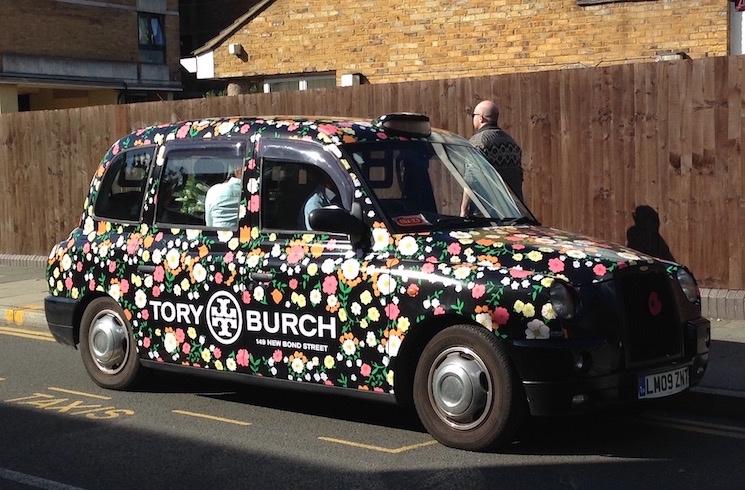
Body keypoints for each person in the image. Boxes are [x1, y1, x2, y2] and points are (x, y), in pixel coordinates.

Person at [461, 100, 523, 216]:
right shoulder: (511, 143)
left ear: (481, 118)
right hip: (512, 211)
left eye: (473, 115)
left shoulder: (477, 142)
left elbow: (471, 179)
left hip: (486, 214)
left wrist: (464, 210)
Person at [204, 161, 243, 228]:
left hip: (217, 236)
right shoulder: (257, 194)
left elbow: (209, 225)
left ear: (237, 169)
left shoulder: (214, 191)